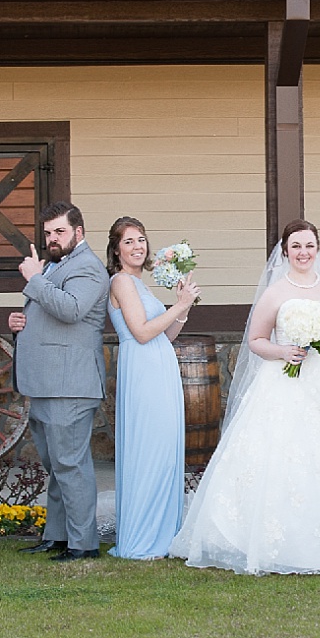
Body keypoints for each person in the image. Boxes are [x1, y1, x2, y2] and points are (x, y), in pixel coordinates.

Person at [170, 219, 320, 574]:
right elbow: (256, 341)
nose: (304, 253)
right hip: (284, 384)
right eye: (296, 246)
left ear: (318, 249)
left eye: (310, 245)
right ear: (285, 252)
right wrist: (283, 351)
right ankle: (275, 541)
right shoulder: (275, 293)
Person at [9, 202, 109, 562]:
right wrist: (21, 321)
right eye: (48, 232)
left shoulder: (89, 267)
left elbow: (71, 310)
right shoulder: (56, 265)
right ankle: (57, 536)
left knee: (70, 464)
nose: (52, 239)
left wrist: (33, 279)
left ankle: (83, 544)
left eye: (60, 232)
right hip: (45, 382)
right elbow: (48, 310)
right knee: (55, 466)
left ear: (78, 232)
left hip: (70, 383)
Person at [105, 217, 197, 559]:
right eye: (129, 242)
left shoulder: (141, 285)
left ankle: (163, 534)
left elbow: (165, 335)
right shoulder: (121, 282)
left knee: (164, 452)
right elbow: (142, 333)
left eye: (141, 240)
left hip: (161, 370)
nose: (137, 246)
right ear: (117, 250)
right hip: (143, 372)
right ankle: (143, 538)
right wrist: (180, 305)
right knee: (149, 452)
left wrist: (181, 312)